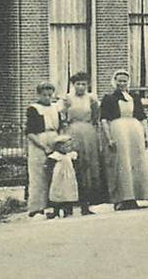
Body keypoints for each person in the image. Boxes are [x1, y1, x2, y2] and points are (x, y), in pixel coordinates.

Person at [99, 70, 148, 211]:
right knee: (122, 163)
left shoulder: (134, 98)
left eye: (124, 81)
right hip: (118, 131)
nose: (122, 83)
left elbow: (142, 117)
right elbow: (104, 119)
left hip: (135, 132)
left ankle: (135, 197)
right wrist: (109, 138)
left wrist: (146, 135)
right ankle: (122, 198)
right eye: (119, 81)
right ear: (114, 82)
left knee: (136, 163)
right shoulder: (109, 98)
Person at [59, 72, 108, 213]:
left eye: (83, 84)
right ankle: (69, 203)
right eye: (78, 84)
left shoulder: (91, 99)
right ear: (73, 85)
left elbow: (96, 116)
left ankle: (86, 203)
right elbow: (61, 115)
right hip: (72, 131)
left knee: (89, 165)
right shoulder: (67, 99)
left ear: (88, 85)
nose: (81, 87)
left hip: (88, 132)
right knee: (74, 164)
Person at [25, 81, 61, 218]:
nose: (47, 98)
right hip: (39, 141)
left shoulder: (55, 108)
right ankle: (36, 208)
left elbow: (60, 126)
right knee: (38, 175)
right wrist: (43, 146)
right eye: (44, 95)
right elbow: (30, 132)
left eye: (49, 95)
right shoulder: (34, 109)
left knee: (55, 175)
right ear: (38, 94)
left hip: (54, 138)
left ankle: (54, 206)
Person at [47, 135, 79, 218]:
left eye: (69, 146)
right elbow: (49, 166)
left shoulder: (70, 155)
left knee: (68, 192)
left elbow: (75, 163)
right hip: (58, 178)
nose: (68, 148)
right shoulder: (56, 156)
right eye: (65, 146)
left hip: (69, 178)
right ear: (59, 147)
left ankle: (68, 211)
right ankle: (56, 212)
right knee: (58, 193)